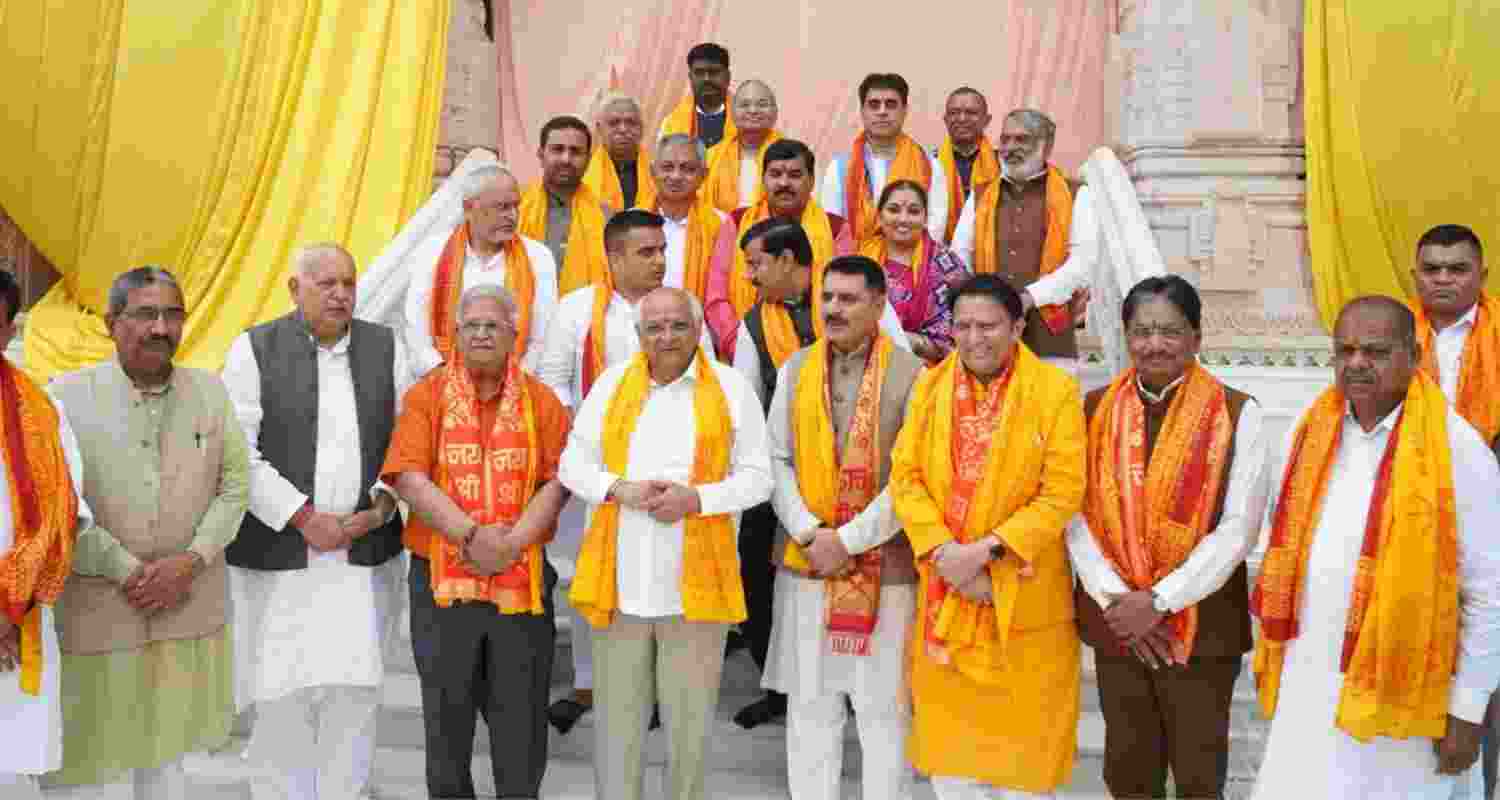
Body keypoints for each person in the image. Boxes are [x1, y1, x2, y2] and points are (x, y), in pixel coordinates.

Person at [1249, 296, 1500, 800]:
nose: (1357, 362)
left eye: (1376, 351)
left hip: (1405, 700)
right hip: (1311, 678)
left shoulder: (1458, 449)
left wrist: (1469, 709)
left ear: (1414, 356)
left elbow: (1489, 592)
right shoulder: (1311, 430)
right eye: (1345, 350)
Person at [47, 267, 251, 799]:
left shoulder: (210, 392)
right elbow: (58, 502)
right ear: (113, 323)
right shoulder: (64, 397)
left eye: (172, 314)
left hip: (187, 607)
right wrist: (128, 570)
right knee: (85, 765)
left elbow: (234, 489)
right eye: (145, 313)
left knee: (169, 766)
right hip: (97, 612)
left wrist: (191, 563)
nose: (161, 327)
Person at [561, 287, 772, 800]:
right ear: (638, 336)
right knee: (617, 732)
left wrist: (695, 500)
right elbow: (572, 463)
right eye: (654, 327)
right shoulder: (612, 386)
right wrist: (619, 489)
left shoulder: (730, 388)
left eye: (678, 324)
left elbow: (759, 478)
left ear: (698, 329)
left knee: (689, 733)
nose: (667, 336)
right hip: (619, 588)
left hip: (696, 596)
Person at [1066, 275, 1270, 800]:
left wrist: (1158, 601)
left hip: (1202, 631)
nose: (1154, 344)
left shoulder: (1237, 412)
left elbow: (1238, 529)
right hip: (1117, 625)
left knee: (1199, 775)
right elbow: (1073, 514)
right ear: (1126, 336)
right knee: (1129, 772)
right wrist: (1119, 602)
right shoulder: (1092, 411)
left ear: (1196, 338)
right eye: (1142, 331)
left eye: (1170, 331)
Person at [221, 243, 408, 800]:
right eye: (326, 283)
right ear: (293, 289)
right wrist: (303, 517)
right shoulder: (253, 349)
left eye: (348, 283)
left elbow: (406, 440)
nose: (341, 293)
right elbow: (238, 452)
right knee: (279, 692)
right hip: (281, 555)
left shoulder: (384, 346)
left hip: (361, 551)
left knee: (355, 692)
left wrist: (378, 506)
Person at [890, 274, 1086, 797]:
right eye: (963, 326)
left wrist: (982, 553)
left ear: (1018, 326)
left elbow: (1063, 491)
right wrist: (943, 551)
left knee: (1024, 770)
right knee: (953, 773)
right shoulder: (929, 388)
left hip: (1021, 599)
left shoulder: (1055, 391)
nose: (974, 338)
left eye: (989, 326)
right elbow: (904, 476)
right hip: (945, 597)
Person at [382, 284, 573, 799]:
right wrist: (470, 535)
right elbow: (408, 476)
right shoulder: (427, 395)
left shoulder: (541, 400)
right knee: (447, 722)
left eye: (494, 325)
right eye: (473, 325)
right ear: (455, 335)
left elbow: (557, 483)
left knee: (521, 724)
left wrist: (510, 546)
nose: (483, 333)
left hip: (522, 584)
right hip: (441, 590)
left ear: (515, 334)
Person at [535, 209, 715, 735]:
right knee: (594, 578)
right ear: (614, 257)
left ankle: (657, 686)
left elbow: (705, 383)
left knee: (663, 578)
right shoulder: (576, 311)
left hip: (671, 475)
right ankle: (590, 683)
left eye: (663, 250)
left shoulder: (684, 309)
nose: (660, 260)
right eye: (647, 251)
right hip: (601, 477)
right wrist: (591, 447)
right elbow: (553, 386)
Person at [762, 255, 925, 799]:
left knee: (883, 711)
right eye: (827, 297)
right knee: (810, 708)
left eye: (848, 298)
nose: (833, 308)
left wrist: (847, 541)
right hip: (808, 564)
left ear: (879, 305)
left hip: (886, 569)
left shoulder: (915, 376)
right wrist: (811, 533)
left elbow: (913, 477)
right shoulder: (795, 368)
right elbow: (775, 460)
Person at [1406, 225, 1500, 799]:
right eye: (1432, 268)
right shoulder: (1392, 337)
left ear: (1481, 277)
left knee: (1487, 672)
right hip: (1414, 526)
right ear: (1415, 274)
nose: (1443, 278)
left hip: (1492, 527)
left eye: (1457, 268)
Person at [0, 270, 89, 800]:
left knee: (11, 772)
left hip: (19, 622)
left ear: (9, 329)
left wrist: (11, 607)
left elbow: (64, 516)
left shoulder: (42, 409)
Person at [951, 109, 1098, 371]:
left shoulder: (1076, 194)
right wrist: (983, 300)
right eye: (1005, 139)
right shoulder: (981, 194)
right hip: (987, 335)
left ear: (1046, 145)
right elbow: (959, 256)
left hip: (1049, 334)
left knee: (1051, 409)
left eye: (1021, 139)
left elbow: (1083, 264)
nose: (1009, 147)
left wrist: (1030, 298)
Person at [404, 162, 558, 378]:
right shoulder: (433, 251)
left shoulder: (538, 257)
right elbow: (415, 329)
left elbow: (543, 338)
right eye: (502, 207)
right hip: (441, 383)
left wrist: (511, 382)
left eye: (516, 206)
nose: (512, 216)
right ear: (469, 208)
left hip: (515, 387)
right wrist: (441, 376)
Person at [703, 139, 852, 359]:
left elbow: (847, 293)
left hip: (821, 352)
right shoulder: (738, 221)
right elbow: (717, 297)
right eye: (775, 174)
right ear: (763, 180)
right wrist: (744, 348)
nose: (784, 183)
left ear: (811, 181)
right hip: (746, 348)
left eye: (794, 175)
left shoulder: (835, 228)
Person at [819, 73, 948, 244]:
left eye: (891, 104)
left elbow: (934, 228)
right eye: (874, 105)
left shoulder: (929, 165)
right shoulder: (839, 167)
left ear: (904, 111)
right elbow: (833, 227)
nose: (882, 112)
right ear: (862, 111)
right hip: (855, 265)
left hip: (912, 265)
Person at [857, 179, 969, 363]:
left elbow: (964, 323)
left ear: (925, 219)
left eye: (913, 211)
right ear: (879, 216)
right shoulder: (862, 259)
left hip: (929, 371)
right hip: (865, 364)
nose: (903, 219)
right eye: (893, 209)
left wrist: (910, 342)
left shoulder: (946, 264)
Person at [519, 116, 614, 295]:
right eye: (557, 150)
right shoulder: (516, 207)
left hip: (584, 316)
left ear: (588, 159)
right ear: (541, 155)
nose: (566, 159)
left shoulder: (606, 217)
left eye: (576, 151)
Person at [640, 134, 726, 302]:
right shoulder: (632, 221)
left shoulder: (721, 224)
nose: (676, 176)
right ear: (652, 172)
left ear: (704, 175)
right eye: (667, 167)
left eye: (688, 169)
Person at [702, 80, 782, 214]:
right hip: (720, 230)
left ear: (775, 112)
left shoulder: (794, 156)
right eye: (744, 105)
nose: (753, 110)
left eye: (762, 104)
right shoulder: (710, 157)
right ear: (732, 112)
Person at [935, 87, 999, 244]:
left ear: (987, 120)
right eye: (954, 113)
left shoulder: (1003, 165)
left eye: (971, 113)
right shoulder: (928, 163)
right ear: (945, 119)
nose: (962, 118)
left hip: (988, 251)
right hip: (938, 252)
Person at [582, 93, 656, 212]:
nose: (623, 129)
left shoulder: (659, 172)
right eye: (614, 123)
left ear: (641, 129)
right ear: (599, 129)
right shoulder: (582, 173)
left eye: (631, 122)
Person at [657, 43, 735, 149]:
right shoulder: (670, 124)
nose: (706, 79)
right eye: (699, 73)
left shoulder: (747, 120)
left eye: (714, 72)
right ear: (690, 77)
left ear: (728, 76)